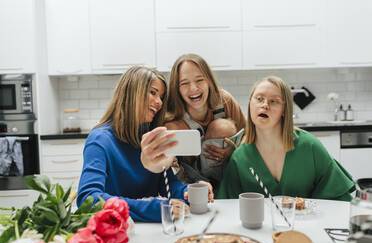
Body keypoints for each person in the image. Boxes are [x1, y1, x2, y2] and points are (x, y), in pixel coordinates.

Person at [77, 66, 213, 223]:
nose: (159, 102)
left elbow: (169, 185)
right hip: (115, 230)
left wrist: (192, 191)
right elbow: (88, 198)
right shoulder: (100, 140)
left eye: (161, 97)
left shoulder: (152, 139)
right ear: (132, 93)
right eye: (153, 93)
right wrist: (154, 208)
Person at [217, 76, 355, 201]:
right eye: (259, 99)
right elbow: (229, 206)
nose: (265, 105)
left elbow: (340, 196)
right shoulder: (240, 157)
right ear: (250, 104)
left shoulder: (309, 146)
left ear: (284, 110)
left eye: (274, 101)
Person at [165, 53, 246, 192]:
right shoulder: (170, 115)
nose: (193, 88)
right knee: (173, 127)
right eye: (184, 83)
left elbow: (249, 135)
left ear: (209, 80)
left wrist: (234, 151)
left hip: (226, 174)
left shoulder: (224, 101)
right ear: (176, 88)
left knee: (220, 126)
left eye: (199, 80)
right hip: (189, 183)